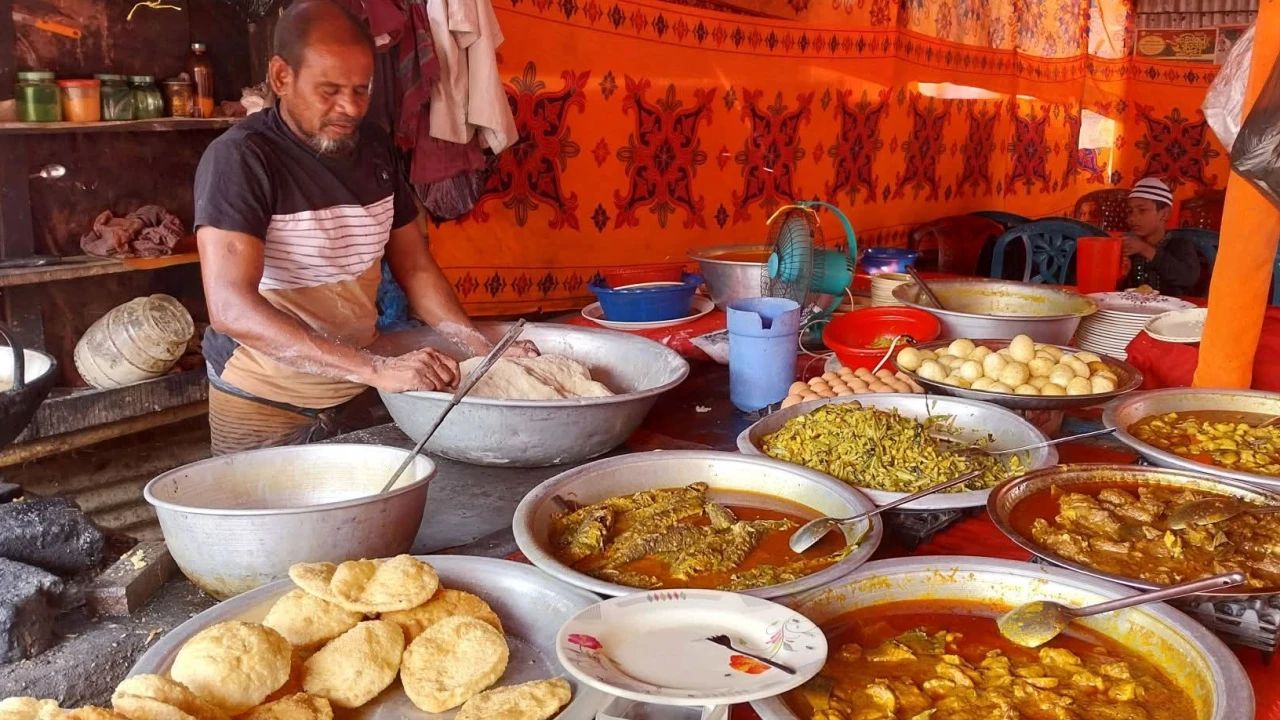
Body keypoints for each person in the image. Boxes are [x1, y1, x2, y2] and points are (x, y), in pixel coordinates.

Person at [193, 0, 534, 455]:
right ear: (281, 77)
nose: (350, 107)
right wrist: (374, 369)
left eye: (361, 89)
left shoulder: (373, 147)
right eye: (330, 90)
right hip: (266, 401)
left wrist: (477, 347)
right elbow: (231, 308)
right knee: (265, 523)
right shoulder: (241, 160)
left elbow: (414, 265)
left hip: (353, 386)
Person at [1120, 177, 1202, 296]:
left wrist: (1145, 250)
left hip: (1172, 313)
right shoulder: (1129, 247)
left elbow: (1188, 278)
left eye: (1141, 210)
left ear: (1164, 214)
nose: (1132, 218)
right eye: (1130, 211)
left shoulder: (1180, 245)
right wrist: (1122, 275)